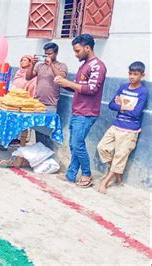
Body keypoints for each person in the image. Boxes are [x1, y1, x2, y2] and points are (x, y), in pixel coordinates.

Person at [54, 34, 107, 187]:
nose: (75, 54)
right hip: (78, 111)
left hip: (87, 113)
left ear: (87, 48)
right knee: (73, 144)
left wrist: (68, 82)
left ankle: (86, 174)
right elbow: (79, 89)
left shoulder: (97, 66)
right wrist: (64, 84)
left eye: (77, 51)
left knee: (78, 144)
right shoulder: (84, 66)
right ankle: (71, 175)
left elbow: (91, 89)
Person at [97, 62, 148, 194]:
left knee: (120, 156)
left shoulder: (143, 92)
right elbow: (111, 105)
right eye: (130, 73)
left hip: (130, 130)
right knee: (102, 148)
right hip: (116, 125)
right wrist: (124, 107)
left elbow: (137, 113)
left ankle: (105, 182)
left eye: (135, 74)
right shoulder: (123, 87)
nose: (132, 76)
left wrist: (121, 106)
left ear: (142, 75)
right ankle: (117, 174)